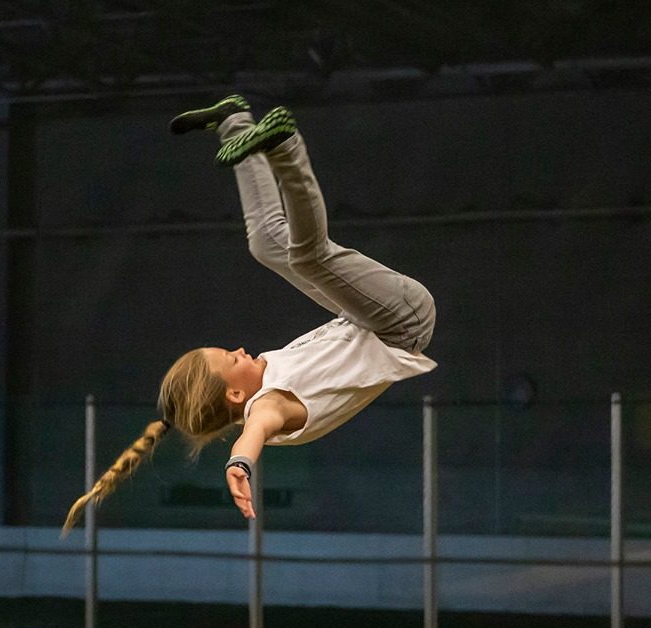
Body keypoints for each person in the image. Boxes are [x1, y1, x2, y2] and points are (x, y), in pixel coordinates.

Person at [63, 96, 436, 531]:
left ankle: (233, 121)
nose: (241, 349)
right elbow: (255, 430)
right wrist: (239, 462)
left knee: (266, 245)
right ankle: (284, 146)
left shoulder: (261, 385)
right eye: (231, 358)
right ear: (237, 395)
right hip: (401, 323)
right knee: (309, 257)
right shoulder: (270, 405)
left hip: (363, 319)